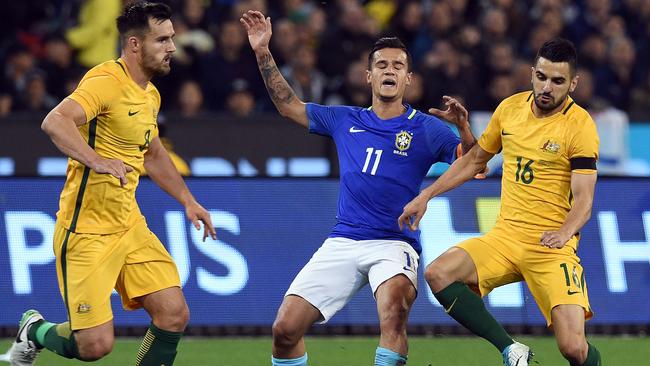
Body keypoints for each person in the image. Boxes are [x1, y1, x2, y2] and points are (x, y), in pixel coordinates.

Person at [240, 10, 477, 366]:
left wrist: (464, 130)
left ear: (408, 78)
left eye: (398, 65)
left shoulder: (427, 128)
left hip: (394, 243)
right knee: (284, 330)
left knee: (394, 311)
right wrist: (263, 53)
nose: (389, 70)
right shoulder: (344, 119)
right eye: (382, 64)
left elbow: (475, 166)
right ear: (369, 76)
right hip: (344, 240)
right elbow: (289, 106)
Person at [6, 2, 216, 366]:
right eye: (162, 40)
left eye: (172, 39)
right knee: (94, 347)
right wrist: (96, 159)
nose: (172, 48)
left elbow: (151, 153)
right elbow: (55, 122)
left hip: (128, 225)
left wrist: (187, 200)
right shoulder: (106, 80)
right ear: (134, 45)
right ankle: (35, 329)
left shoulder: (150, 94)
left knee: (173, 314)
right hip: (86, 229)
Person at [398, 38, 602, 366]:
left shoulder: (580, 127)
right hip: (505, 239)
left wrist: (564, 233)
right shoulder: (509, 109)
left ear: (573, 84)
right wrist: (426, 195)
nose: (547, 87)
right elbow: (476, 161)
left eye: (558, 81)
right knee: (439, 273)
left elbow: (585, 200)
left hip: (551, 248)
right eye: (542, 76)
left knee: (574, 349)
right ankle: (510, 349)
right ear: (532, 73)